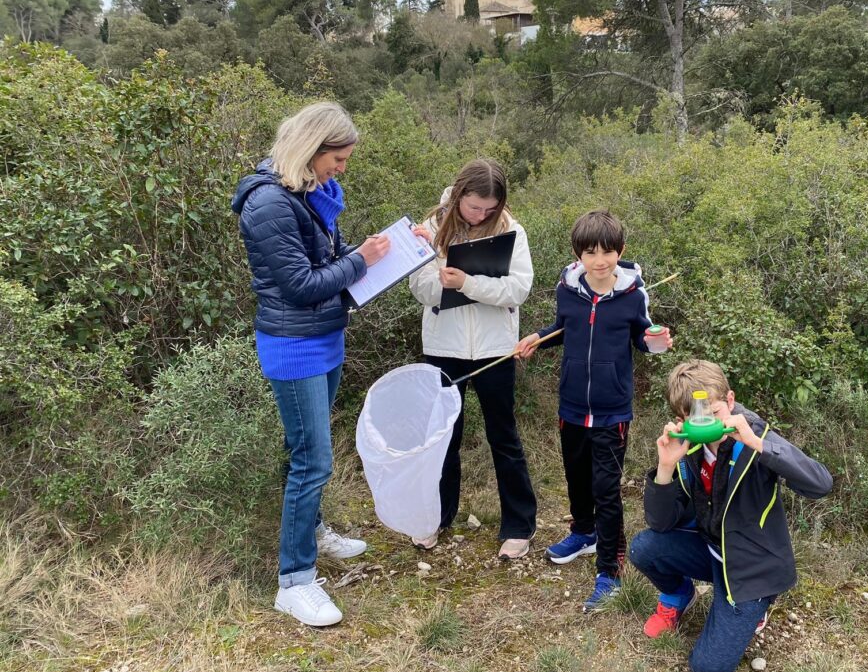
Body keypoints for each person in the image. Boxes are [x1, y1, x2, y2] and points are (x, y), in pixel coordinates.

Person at [231, 102, 393, 628]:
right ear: (312, 148)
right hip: (295, 345)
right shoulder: (269, 205)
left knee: (305, 446)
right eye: (338, 159)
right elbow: (301, 287)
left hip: (323, 339)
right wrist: (361, 260)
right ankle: (295, 580)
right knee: (313, 460)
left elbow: (329, 258)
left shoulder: (303, 196)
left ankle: (314, 529)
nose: (342, 169)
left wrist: (386, 253)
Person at [629, 359, 833, 672]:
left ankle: (757, 607)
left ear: (730, 400)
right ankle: (679, 596)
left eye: (713, 412)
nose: (706, 422)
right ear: (681, 419)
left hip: (750, 569)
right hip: (710, 552)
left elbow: (820, 484)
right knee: (643, 548)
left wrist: (759, 445)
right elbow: (661, 523)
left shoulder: (755, 437)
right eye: (694, 416)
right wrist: (664, 469)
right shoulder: (687, 448)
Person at [515, 210, 671, 610]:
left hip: (612, 410)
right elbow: (564, 326)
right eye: (590, 252)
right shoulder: (567, 288)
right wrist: (537, 337)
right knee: (576, 477)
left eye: (608, 252)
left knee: (606, 488)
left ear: (621, 251)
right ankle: (583, 532)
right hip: (571, 405)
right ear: (577, 255)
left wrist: (657, 341)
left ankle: (609, 569)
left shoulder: (634, 295)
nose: (600, 261)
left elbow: (643, 338)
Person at [409, 159, 538, 559]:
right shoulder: (431, 227)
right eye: (474, 207)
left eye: (489, 209)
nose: (481, 215)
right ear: (460, 193)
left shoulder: (511, 229)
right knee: (444, 436)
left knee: (504, 436)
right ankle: (436, 518)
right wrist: (445, 274)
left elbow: (518, 289)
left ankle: (518, 526)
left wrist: (468, 283)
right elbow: (420, 288)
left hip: (495, 349)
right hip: (443, 348)